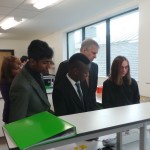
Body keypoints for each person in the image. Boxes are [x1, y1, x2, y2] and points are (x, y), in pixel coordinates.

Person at [8, 39, 54, 123]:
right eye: (45, 63)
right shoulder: (21, 85)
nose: (49, 66)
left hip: (43, 126)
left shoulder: (37, 73)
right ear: (32, 61)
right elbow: (17, 122)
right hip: (34, 131)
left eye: (49, 62)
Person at [53, 38, 100, 111]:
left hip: (91, 111)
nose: (95, 56)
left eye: (96, 53)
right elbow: (58, 92)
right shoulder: (65, 65)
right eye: (93, 53)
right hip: (73, 112)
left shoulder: (95, 67)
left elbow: (92, 92)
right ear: (84, 50)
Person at [0, 56, 21, 123]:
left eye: (20, 66)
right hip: (11, 115)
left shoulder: (17, 79)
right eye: (17, 68)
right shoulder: (4, 82)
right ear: (9, 71)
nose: (20, 69)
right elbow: (10, 100)